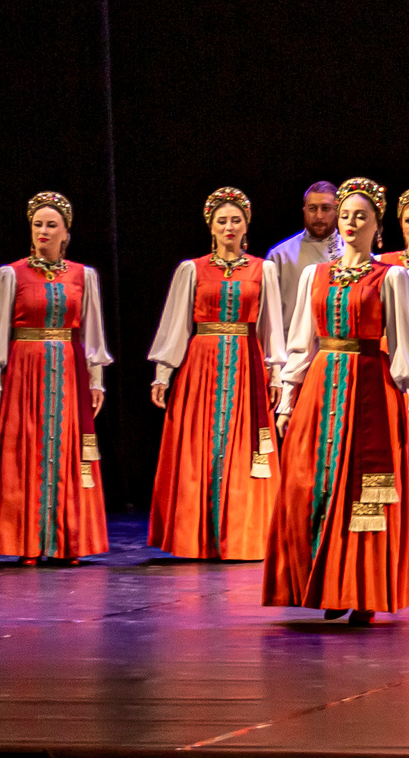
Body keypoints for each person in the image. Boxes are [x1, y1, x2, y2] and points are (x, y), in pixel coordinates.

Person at [263, 180, 409, 623]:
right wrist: (287, 401)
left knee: (366, 491)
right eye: (346, 215)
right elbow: (301, 342)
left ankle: (364, 588)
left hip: (371, 388)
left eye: (362, 216)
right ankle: (324, 584)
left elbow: (405, 345)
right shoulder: (314, 275)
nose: (352, 222)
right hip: (323, 384)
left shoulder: (391, 276)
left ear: (377, 225)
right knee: (307, 483)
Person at [0, 191, 114, 564]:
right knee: (25, 450)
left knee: (66, 450)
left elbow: (90, 333)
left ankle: (68, 541)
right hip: (24, 369)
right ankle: (26, 543)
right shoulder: (11, 274)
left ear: (66, 233)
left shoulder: (84, 276)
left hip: (68, 369)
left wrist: (96, 379)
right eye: (38, 225)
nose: (44, 232)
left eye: (52, 225)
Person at [146, 187, 286, 561]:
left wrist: (275, 374)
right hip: (201, 366)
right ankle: (196, 536)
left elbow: (271, 326)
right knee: (199, 445)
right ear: (211, 226)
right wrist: (163, 373)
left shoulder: (263, 269)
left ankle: (242, 536)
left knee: (244, 448)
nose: (229, 226)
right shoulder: (192, 269)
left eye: (235, 220)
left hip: (246, 364)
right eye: (222, 220)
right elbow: (176, 325)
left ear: (246, 226)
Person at [266, 182, 338, 344]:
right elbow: (268, 314)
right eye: (313, 208)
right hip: (290, 347)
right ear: (304, 211)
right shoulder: (280, 256)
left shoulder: (351, 252)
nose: (319, 216)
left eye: (325, 208)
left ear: (337, 211)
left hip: (338, 347)